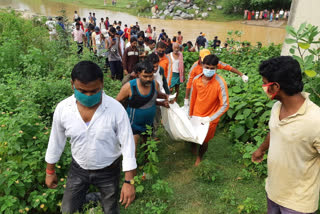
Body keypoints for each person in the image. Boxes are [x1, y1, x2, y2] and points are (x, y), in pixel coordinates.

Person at [45, 61, 137, 214]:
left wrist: (129, 181)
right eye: (82, 91)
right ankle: (93, 197)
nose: (88, 96)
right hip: (78, 169)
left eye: (94, 91)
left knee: (110, 209)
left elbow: (128, 146)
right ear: (72, 85)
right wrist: (50, 171)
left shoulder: (115, 110)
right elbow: (56, 141)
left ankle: (102, 198)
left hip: (109, 170)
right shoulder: (63, 109)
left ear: (101, 84)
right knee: (68, 209)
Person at [251, 56, 320, 214]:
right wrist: (261, 149)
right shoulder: (277, 107)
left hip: (298, 203)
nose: (263, 86)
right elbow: (275, 130)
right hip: (273, 190)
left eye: (264, 83)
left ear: (275, 86)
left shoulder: (316, 120)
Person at [116, 61, 169, 156]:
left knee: (147, 147)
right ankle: (132, 168)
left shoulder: (155, 84)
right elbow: (117, 102)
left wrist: (163, 102)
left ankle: (146, 167)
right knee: (132, 151)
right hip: (133, 125)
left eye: (151, 76)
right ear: (138, 74)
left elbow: (152, 99)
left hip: (148, 124)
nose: (148, 79)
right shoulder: (129, 87)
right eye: (145, 76)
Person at [188, 54, 229, 166]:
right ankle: (192, 146)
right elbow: (193, 97)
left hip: (210, 119)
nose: (209, 70)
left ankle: (199, 157)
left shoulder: (220, 83)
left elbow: (225, 105)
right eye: (207, 67)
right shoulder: (196, 80)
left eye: (212, 68)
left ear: (216, 68)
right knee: (193, 134)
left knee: (205, 140)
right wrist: (189, 113)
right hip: (196, 114)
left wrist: (210, 118)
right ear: (202, 65)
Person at [184, 49, 248, 104]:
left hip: (211, 86)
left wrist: (241, 75)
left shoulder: (213, 63)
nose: (209, 68)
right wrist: (186, 98)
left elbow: (228, 67)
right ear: (199, 58)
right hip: (199, 87)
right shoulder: (195, 67)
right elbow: (189, 83)